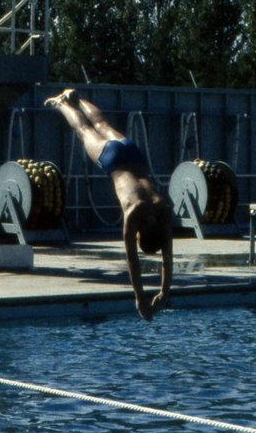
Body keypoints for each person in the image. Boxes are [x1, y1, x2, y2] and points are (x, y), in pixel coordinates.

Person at [44, 89, 173, 320]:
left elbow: (167, 257)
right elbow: (133, 261)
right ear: (139, 234)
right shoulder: (134, 213)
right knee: (83, 131)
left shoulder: (161, 207)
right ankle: (61, 103)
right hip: (112, 160)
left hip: (132, 153)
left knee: (101, 123)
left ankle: (78, 97)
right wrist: (139, 298)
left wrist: (165, 291)